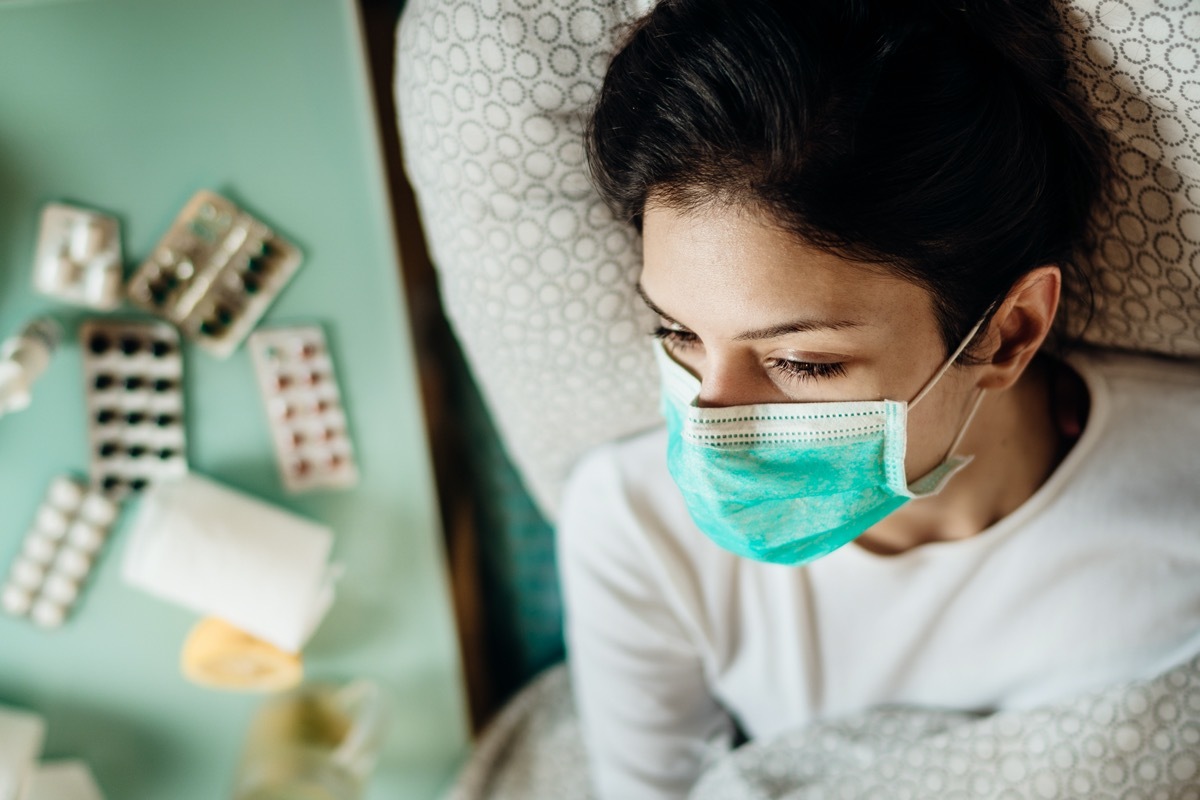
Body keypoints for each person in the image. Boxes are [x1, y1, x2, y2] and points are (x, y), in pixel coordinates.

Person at [556, 1, 1200, 797]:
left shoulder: (1185, 499)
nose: (709, 422)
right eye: (679, 333)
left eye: (801, 362)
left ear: (1009, 332)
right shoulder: (633, 526)